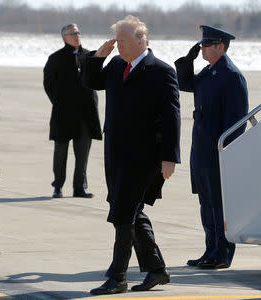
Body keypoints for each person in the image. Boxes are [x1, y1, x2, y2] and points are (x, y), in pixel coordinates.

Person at [83, 15, 181, 295]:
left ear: (142, 40)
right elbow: (91, 82)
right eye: (117, 41)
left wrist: (169, 156)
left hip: (144, 156)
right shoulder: (115, 64)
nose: (119, 46)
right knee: (131, 211)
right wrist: (96, 57)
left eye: (123, 41)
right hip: (115, 153)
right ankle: (157, 269)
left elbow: (172, 116)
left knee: (123, 214)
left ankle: (118, 277)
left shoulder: (160, 71)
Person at [175, 25, 248, 269]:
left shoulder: (231, 75)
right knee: (206, 201)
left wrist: (225, 152)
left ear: (220, 47)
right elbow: (185, 85)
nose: (203, 48)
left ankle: (222, 253)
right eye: (202, 44)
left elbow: (237, 122)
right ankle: (210, 249)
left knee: (219, 203)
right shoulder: (209, 72)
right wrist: (188, 60)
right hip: (202, 149)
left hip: (218, 152)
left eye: (207, 45)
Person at [44, 23, 102, 198]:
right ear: (64, 37)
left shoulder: (89, 56)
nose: (77, 35)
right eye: (72, 33)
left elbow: (97, 79)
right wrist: (60, 102)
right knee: (60, 153)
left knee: (82, 154)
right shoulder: (56, 58)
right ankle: (58, 186)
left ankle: (80, 187)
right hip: (64, 114)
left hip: (86, 115)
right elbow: (49, 84)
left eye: (78, 32)